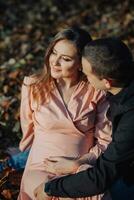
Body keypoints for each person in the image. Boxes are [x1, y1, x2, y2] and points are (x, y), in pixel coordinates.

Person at [34, 37, 134, 200]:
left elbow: (101, 177)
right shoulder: (122, 84)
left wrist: (51, 188)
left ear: (107, 82)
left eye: (87, 75)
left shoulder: (129, 121)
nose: (85, 78)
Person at [18, 27, 112, 200]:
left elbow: (105, 140)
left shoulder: (96, 91)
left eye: (66, 59)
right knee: (48, 192)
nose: (55, 62)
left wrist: (81, 162)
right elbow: (28, 129)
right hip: (42, 166)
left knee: (93, 190)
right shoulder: (33, 86)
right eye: (54, 53)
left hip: (81, 165)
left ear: (81, 64)